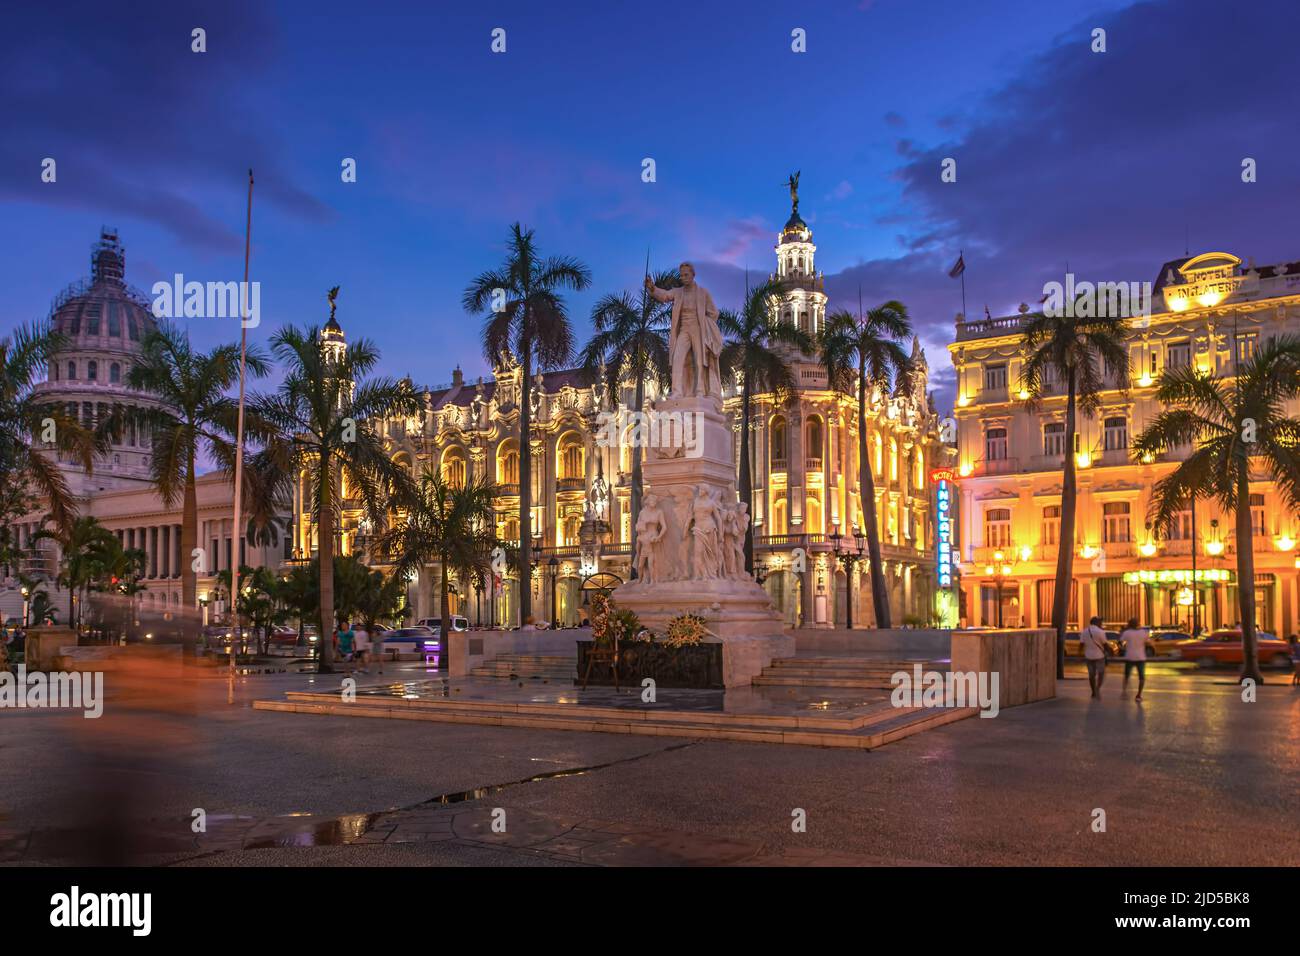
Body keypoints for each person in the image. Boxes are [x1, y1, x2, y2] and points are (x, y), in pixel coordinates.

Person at [1120, 616, 1148, 702]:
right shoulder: (1144, 632)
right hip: (1140, 657)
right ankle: (1139, 695)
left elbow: (1121, 642)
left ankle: (1124, 692)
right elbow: (1147, 643)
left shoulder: (1127, 633)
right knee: (1141, 677)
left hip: (1130, 657)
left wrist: (1124, 648)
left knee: (1126, 676)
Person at [1081, 615, 1109, 698]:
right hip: (1099, 656)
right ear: (1096, 622)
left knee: (1091, 675)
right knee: (1101, 673)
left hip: (1088, 656)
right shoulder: (1101, 632)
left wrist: (1080, 654)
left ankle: (1093, 691)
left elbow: (1081, 644)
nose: (1101, 623)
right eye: (1100, 622)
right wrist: (1108, 652)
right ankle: (1097, 688)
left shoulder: (1084, 631)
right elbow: (1105, 644)